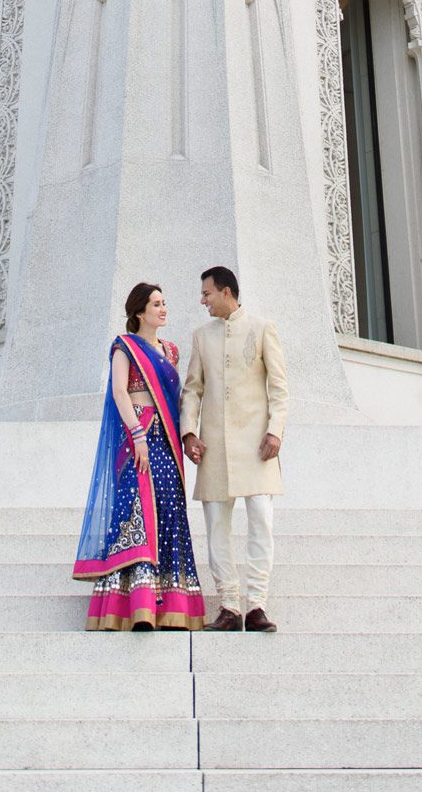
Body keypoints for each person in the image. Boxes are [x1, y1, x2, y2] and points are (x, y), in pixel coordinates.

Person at [73, 281, 207, 631]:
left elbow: (176, 401)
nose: (163, 309)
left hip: (166, 439)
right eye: (156, 304)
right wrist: (137, 435)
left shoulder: (172, 351)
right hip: (138, 436)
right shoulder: (125, 348)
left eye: (164, 303)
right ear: (139, 312)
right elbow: (120, 391)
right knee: (135, 509)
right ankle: (135, 604)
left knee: (168, 509)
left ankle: (171, 604)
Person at [180, 264, 288, 633]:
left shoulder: (261, 329)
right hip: (213, 448)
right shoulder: (201, 336)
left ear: (226, 292)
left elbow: (279, 387)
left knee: (261, 521)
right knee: (216, 528)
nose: (202, 300)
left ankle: (256, 604)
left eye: (207, 293)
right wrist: (188, 435)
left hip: (258, 446)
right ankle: (229, 604)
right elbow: (192, 389)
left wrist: (275, 431)